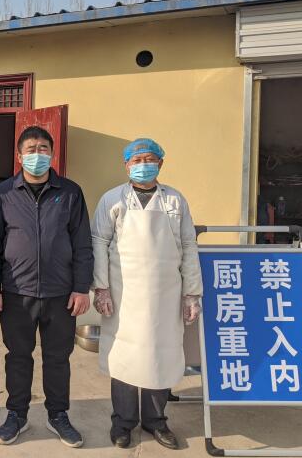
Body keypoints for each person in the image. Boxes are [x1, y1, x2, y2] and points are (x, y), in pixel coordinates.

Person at [91, 138, 203, 450]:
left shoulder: (175, 201)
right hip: (123, 295)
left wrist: (192, 293)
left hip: (165, 295)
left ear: (161, 163)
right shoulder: (112, 199)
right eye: (137, 160)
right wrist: (101, 288)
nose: (143, 165)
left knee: (159, 357)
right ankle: (123, 422)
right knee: (125, 358)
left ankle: (156, 421)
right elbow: (98, 242)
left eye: (150, 159)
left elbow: (189, 245)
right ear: (126, 165)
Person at [0, 126, 93, 448]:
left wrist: (81, 288)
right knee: (18, 356)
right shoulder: (4, 193)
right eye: (31, 149)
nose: (37, 154)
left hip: (61, 293)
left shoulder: (70, 192)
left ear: (52, 153)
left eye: (43, 148)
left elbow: (82, 243)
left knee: (58, 358)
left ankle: (58, 414)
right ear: (19, 156)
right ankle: (16, 414)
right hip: (17, 292)